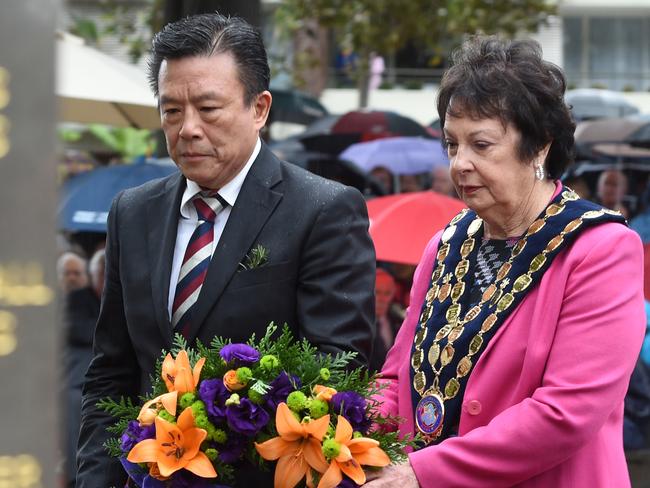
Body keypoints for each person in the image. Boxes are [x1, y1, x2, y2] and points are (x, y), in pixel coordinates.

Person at [75, 13, 376, 488]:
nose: (187, 128)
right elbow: (111, 372)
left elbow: (337, 369)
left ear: (259, 108)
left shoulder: (323, 210)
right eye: (171, 111)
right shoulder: (133, 212)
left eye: (208, 109)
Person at [366, 36, 645, 487]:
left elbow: (565, 414)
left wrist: (423, 473)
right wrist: (343, 435)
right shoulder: (444, 243)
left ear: (538, 148)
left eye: (481, 144)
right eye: (452, 145)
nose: (460, 163)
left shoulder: (602, 249)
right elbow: (396, 376)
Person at [61, 249, 105, 488]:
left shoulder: (120, 297)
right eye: (103, 273)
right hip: (78, 375)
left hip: (106, 374)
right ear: (95, 275)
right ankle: (73, 476)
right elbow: (77, 330)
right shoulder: (77, 298)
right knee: (73, 400)